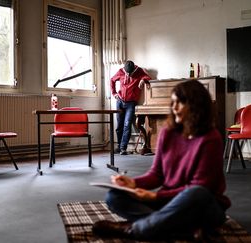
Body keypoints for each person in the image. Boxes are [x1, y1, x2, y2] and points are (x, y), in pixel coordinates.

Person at [93, 80, 231, 241]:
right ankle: (183, 230)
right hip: (169, 204)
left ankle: (135, 229)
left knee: (197, 193)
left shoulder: (211, 138)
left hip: (203, 207)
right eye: (173, 102)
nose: (174, 107)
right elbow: (157, 174)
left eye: (180, 103)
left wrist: (155, 197)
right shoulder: (168, 132)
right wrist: (133, 184)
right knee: (114, 196)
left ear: (197, 105)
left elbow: (200, 187)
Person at [110, 60, 152, 155]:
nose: (128, 74)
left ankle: (123, 148)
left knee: (127, 125)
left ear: (133, 69)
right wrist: (114, 93)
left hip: (131, 103)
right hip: (120, 102)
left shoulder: (139, 71)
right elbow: (112, 80)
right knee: (119, 125)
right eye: (126, 72)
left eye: (130, 73)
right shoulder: (121, 71)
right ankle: (119, 146)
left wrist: (142, 80)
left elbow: (148, 77)